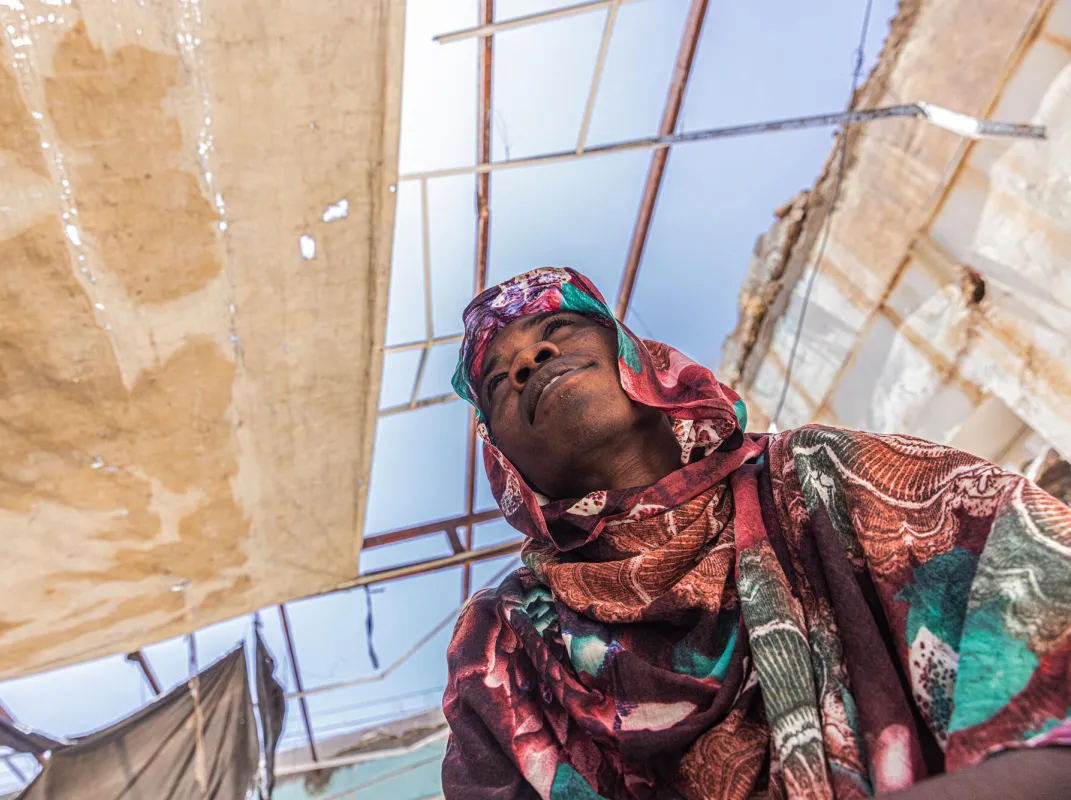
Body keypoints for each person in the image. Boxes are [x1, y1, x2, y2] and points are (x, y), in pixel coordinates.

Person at [441, 267, 1071, 800]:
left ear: (637, 356)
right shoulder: (507, 644)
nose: (528, 359)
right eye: (497, 381)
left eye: (559, 328)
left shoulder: (823, 477)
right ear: (505, 463)